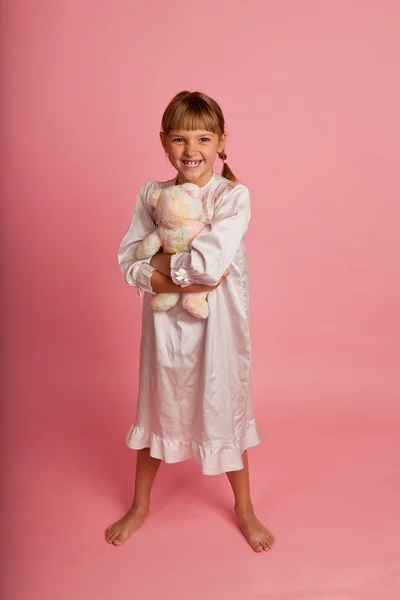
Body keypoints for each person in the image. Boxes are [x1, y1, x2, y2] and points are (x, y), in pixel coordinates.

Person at [105, 91, 274, 552]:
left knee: (224, 409)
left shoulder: (231, 197)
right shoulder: (152, 195)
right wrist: (172, 278)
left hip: (218, 331)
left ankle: (244, 507)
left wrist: (163, 271)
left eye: (203, 137)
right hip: (164, 331)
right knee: (156, 406)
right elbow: (129, 261)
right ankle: (141, 504)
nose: (191, 150)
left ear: (221, 142)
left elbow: (212, 264)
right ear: (163, 142)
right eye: (179, 139)